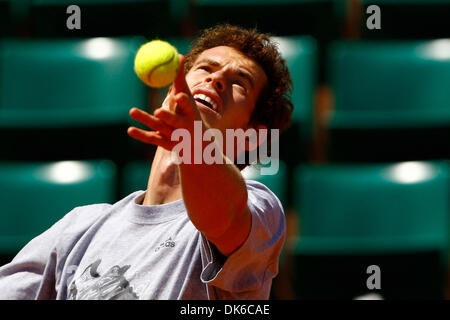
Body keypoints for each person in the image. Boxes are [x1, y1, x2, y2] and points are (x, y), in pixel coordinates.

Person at [0, 24, 293, 300]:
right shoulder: (78, 228)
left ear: (250, 138)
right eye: (205, 68)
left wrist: (194, 144)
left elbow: (224, 219)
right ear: (169, 93)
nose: (216, 79)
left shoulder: (261, 210)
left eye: (239, 82)